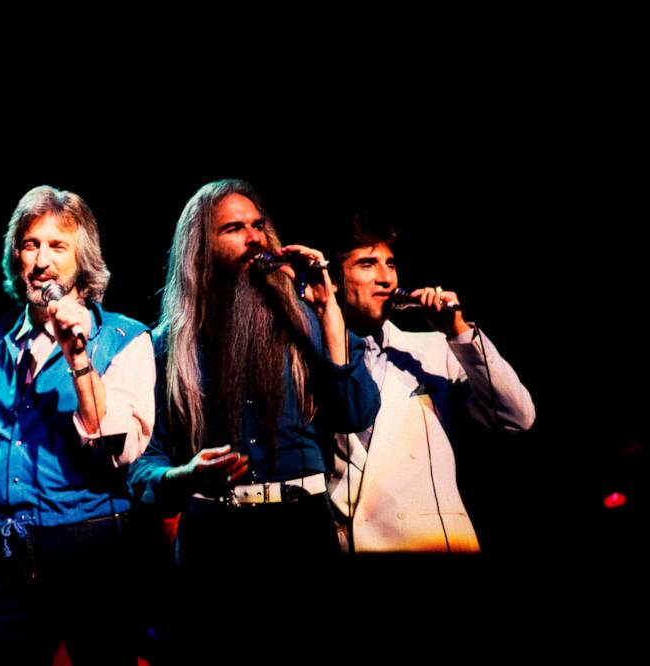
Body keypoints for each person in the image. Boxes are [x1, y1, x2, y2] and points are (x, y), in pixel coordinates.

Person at [126, 179, 380, 658]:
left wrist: (329, 315)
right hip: (217, 542)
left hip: (301, 537)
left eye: (258, 225)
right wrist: (185, 475)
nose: (254, 238)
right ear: (203, 247)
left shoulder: (307, 321)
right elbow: (143, 468)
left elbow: (357, 412)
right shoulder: (167, 346)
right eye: (235, 228)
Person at [0, 185, 155, 665]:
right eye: (31, 244)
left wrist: (77, 358)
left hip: (91, 548)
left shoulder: (124, 338)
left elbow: (117, 450)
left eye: (58, 246)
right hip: (6, 551)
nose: (42, 261)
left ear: (82, 259)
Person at [329, 212, 535, 553]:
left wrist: (458, 330)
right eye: (367, 264)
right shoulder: (310, 357)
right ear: (334, 279)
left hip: (433, 543)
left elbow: (517, 418)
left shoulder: (431, 348)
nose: (386, 279)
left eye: (390, 265)